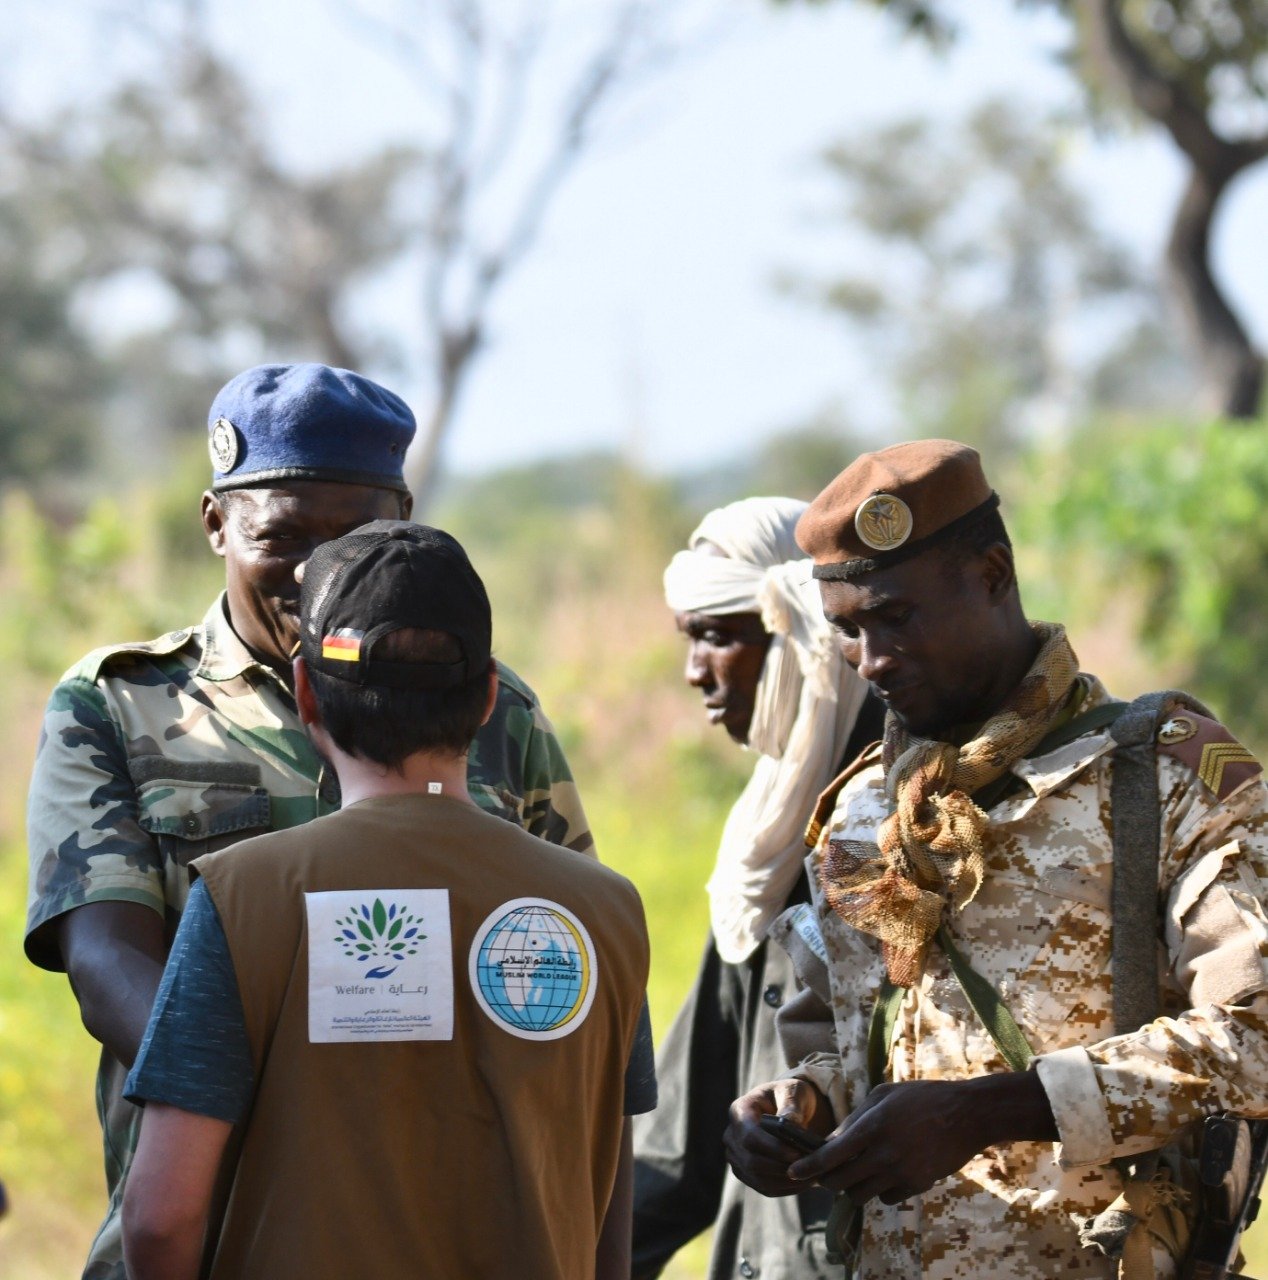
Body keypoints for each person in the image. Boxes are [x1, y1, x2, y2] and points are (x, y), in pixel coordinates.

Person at [24, 363, 595, 1280]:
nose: (318, 572)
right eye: (281, 536)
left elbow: (558, 958)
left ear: (404, 515)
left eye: (357, 533)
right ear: (216, 523)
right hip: (215, 1225)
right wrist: (292, 1101)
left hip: (449, 1226)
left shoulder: (492, 709)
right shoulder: (123, 706)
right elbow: (104, 959)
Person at [722, 440, 1268, 1279]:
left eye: (895, 616)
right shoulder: (868, 808)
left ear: (992, 572)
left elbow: (1253, 1040)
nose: (870, 661)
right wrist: (800, 1106)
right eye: (846, 632)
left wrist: (988, 1111)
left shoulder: (1164, 777)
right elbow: (862, 1045)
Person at [119, 520, 654, 1278]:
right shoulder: (606, 912)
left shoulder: (244, 898)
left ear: (306, 693)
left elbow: (161, 1217)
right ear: (488, 699)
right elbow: (607, 1194)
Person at [635, 497, 879, 1279]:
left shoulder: (903, 812)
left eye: (716, 636)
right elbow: (679, 1144)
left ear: (801, 631)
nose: (694, 670)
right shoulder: (768, 836)